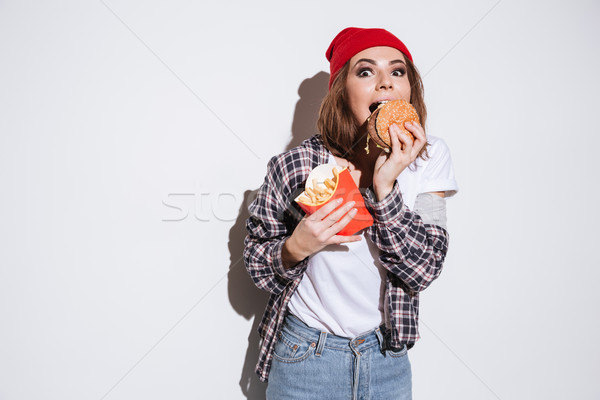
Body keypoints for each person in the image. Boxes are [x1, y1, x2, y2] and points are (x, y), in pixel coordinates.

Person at [243, 27, 458, 400]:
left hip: (386, 360)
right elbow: (255, 264)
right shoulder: (295, 165)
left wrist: (385, 187)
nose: (385, 84)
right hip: (305, 358)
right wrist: (296, 246)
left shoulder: (429, 157)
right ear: (341, 90)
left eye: (397, 71)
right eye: (365, 71)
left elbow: (425, 268)